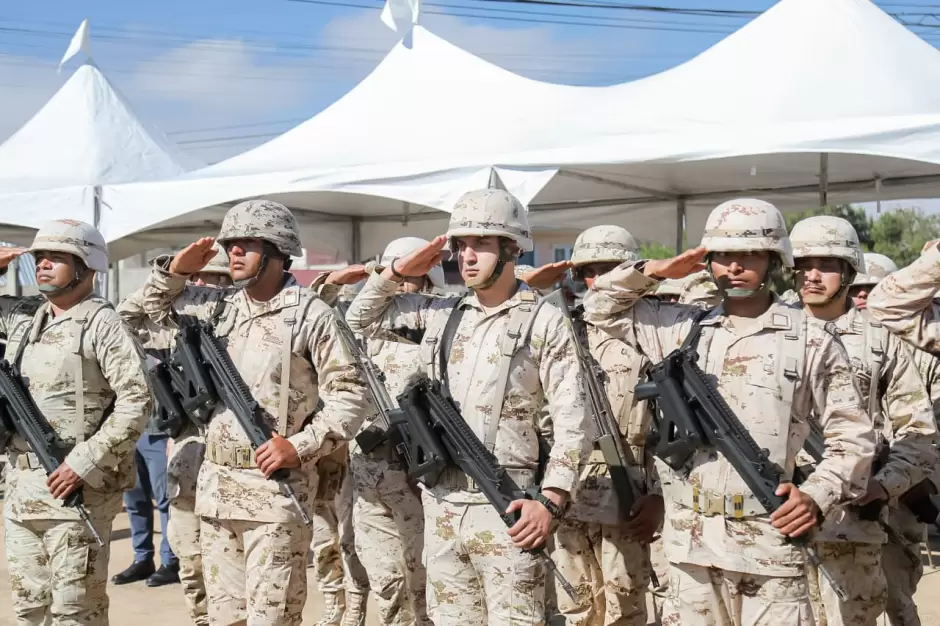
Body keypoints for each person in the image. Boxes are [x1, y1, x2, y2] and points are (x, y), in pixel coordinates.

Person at [580, 198, 875, 625]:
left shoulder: (811, 340)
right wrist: (657, 270)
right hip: (691, 545)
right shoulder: (681, 329)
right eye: (722, 254)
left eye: (750, 254)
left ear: (774, 259)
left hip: (769, 540)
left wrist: (817, 495)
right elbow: (597, 306)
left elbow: (853, 437)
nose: (734, 266)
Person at [346, 188, 592, 624]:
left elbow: (575, 418)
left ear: (512, 248)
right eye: (460, 245)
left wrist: (551, 500)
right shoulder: (443, 314)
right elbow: (357, 320)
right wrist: (397, 271)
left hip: (508, 504)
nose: (467, 256)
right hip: (442, 503)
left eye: (481, 243)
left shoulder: (543, 320)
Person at [131, 199, 373, 626]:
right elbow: (139, 314)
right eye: (230, 244)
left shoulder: (310, 314)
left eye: (248, 243)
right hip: (217, 489)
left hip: (276, 493)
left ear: (278, 250)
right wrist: (174, 271)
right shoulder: (218, 307)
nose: (235, 251)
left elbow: (352, 395)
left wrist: (300, 446)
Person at [1, 219, 151, 625]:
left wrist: (84, 462)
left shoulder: (104, 323)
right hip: (22, 491)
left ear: (87, 265)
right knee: (29, 610)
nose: (44, 264)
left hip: (75, 492)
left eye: (57, 257)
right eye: (40, 257)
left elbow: (137, 401)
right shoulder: (25, 318)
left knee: (75, 612)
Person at [789, 216, 936, 625]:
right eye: (803, 264)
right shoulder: (768, 332)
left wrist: (883, 486)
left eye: (827, 265)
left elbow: (919, 431)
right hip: (774, 520)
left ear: (849, 270)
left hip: (848, 524)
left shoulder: (880, 340)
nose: (812, 275)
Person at [318, 237, 442, 626]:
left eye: (410, 276)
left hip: (420, 476)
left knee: (425, 581)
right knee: (387, 583)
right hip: (367, 475)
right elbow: (316, 315)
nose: (401, 285)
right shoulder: (359, 329)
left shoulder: (438, 326)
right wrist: (332, 282)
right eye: (394, 275)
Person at [547, 225, 663, 626]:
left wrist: (659, 496)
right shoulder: (563, 332)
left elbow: (672, 429)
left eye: (610, 269)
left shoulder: (654, 331)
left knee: (625, 611)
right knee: (576, 611)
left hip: (629, 492)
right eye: (591, 272)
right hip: (572, 492)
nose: (599, 281)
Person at [116, 243, 232, 624]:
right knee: (191, 567)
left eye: (210, 279)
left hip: (231, 466)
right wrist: (170, 278)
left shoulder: (238, 323)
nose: (200, 286)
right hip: (183, 450)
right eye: (195, 279)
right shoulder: (174, 324)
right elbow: (123, 319)